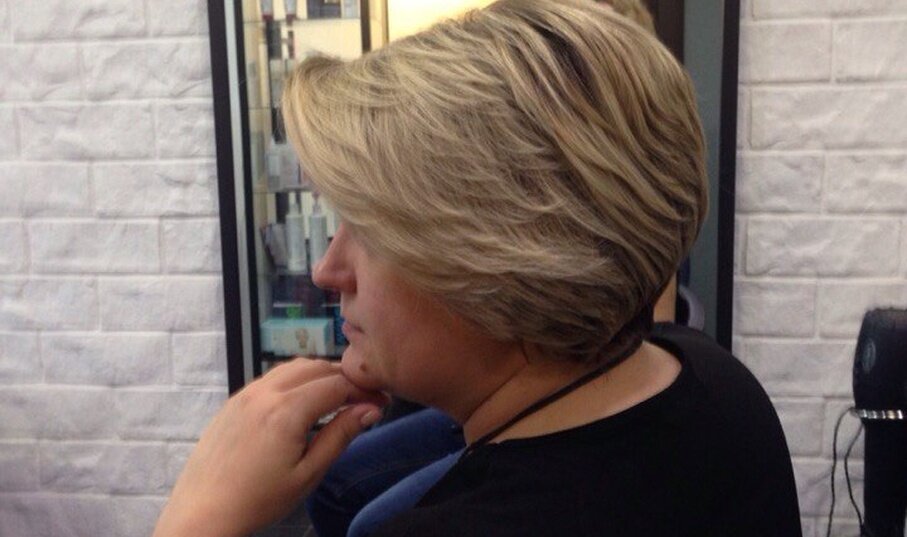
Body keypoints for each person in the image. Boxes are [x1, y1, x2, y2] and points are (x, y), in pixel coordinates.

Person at [154, 1, 802, 536]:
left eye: (369, 230)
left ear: (498, 263)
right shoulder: (713, 376)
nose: (327, 270)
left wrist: (201, 516)